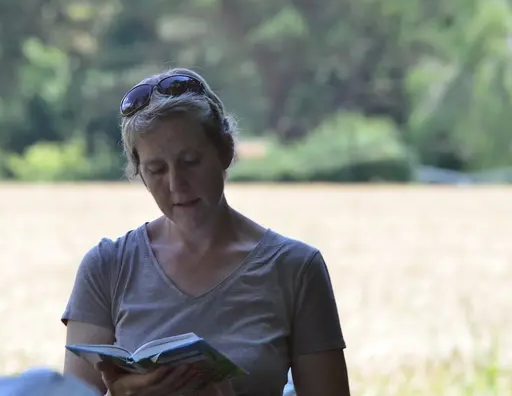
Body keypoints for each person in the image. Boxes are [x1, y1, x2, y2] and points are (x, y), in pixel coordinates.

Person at [61, 68, 350, 396]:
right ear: (139, 174)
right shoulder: (107, 268)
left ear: (225, 150)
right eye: (156, 170)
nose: (176, 185)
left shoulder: (295, 269)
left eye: (190, 161)